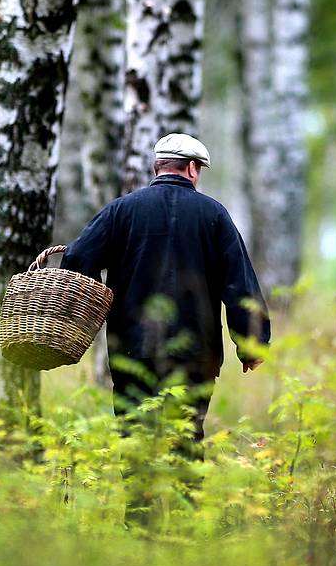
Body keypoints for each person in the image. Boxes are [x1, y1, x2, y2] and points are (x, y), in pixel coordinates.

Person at [61, 133, 270, 448]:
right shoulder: (214, 214)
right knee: (185, 441)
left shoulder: (121, 211)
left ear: (157, 167)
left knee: (134, 440)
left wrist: (92, 305)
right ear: (190, 169)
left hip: (132, 350)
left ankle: (137, 498)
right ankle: (182, 495)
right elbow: (239, 284)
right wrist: (252, 344)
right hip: (195, 355)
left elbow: (76, 258)